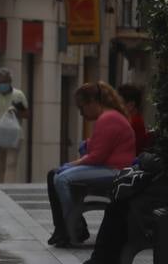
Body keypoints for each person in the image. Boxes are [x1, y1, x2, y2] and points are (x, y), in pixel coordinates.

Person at [47, 82, 135, 247]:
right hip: (109, 167)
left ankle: (74, 226)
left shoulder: (108, 118)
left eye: (82, 107)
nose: (81, 113)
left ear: (94, 102)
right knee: (58, 175)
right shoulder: (109, 117)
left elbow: (96, 157)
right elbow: (97, 150)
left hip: (114, 170)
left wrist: (70, 165)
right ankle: (67, 227)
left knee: (61, 179)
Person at [118, 83, 152, 154]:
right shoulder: (134, 120)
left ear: (131, 105)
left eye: (120, 103)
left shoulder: (133, 122)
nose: (117, 107)